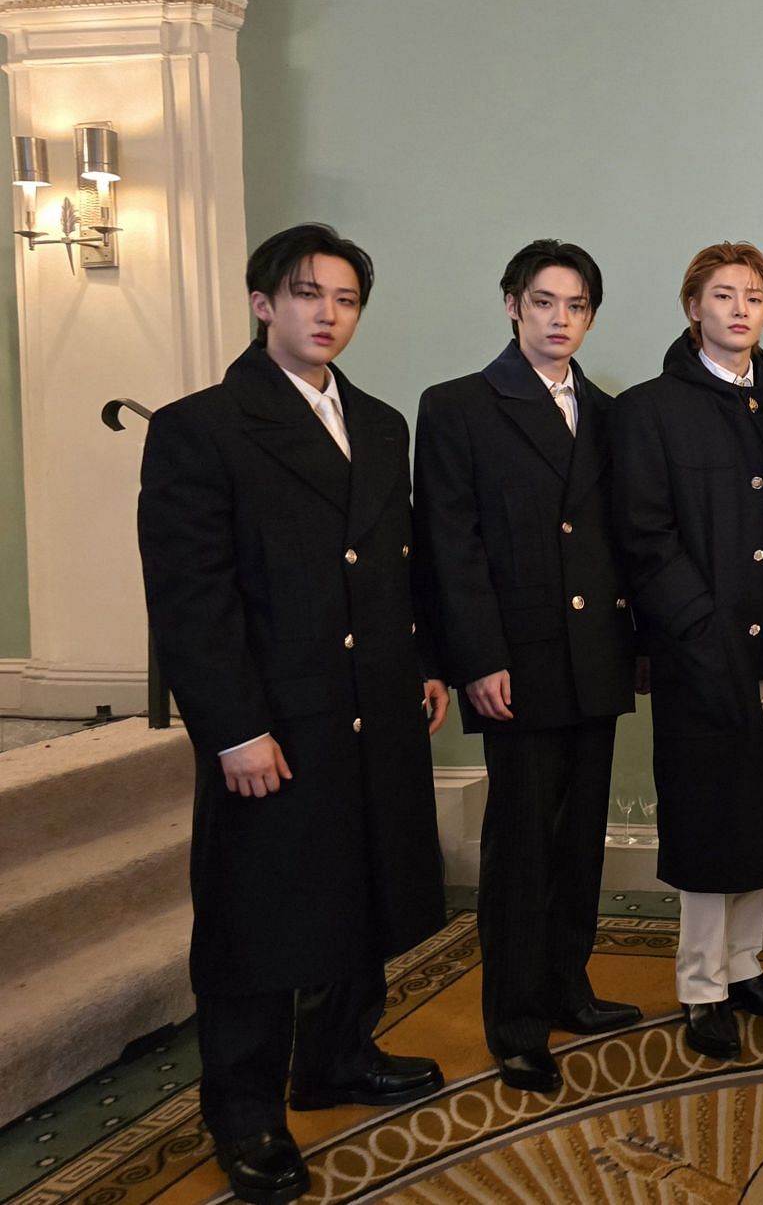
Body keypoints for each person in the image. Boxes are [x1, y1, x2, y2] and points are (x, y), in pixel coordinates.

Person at [137, 224, 449, 1205]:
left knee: (363, 892)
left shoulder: (382, 421)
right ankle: (245, 1112)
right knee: (257, 925)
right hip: (274, 719)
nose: (328, 313)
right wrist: (231, 725)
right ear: (263, 301)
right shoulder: (202, 425)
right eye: (307, 293)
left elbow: (399, 562)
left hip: (373, 706)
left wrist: (426, 664)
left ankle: (340, 1057)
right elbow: (192, 596)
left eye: (346, 298)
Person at [413, 239, 640, 1096]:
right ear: (512, 304)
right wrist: (478, 658)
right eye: (543, 302)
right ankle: (514, 1023)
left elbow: (615, 541)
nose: (559, 320)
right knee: (520, 851)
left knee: (580, 839)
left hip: (595, 658)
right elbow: (451, 546)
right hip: (514, 666)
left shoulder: (609, 413)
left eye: (576, 306)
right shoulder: (461, 406)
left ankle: (568, 988)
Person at [610, 241, 763, 1062]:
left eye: (754, 296)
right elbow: (646, 537)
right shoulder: (650, 408)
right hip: (699, 646)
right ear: (692, 305)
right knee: (708, 815)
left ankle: (746, 964)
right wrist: (697, 629)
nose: (739, 309)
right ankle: (701, 984)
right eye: (723, 294)